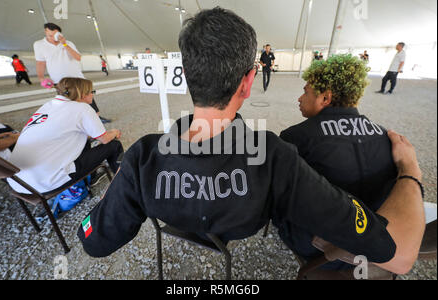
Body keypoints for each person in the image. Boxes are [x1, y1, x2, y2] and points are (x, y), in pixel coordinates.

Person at [77, 7, 425, 276]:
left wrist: (115, 191)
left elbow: (93, 242)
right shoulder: (274, 158)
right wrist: (409, 169)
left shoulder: (142, 157)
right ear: (248, 83)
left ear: (186, 76)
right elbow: (398, 253)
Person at [280, 54, 399, 269]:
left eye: (305, 92)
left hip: (319, 250)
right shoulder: (386, 135)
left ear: (325, 98)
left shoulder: (296, 137)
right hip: (374, 246)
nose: (299, 98)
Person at [7, 77, 123, 195]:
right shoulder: (82, 108)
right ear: (83, 94)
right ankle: (124, 182)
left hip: (19, 182)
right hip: (47, 182)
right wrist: (114, 132)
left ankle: (91, 177)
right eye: (92, 92)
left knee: (83, 140)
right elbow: (104, 139)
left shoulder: (48, 106)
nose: (93, 95)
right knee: (114, 145)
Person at [33, 23, 111, 123]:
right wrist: (41, 77)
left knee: (88, 97)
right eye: (50, 35)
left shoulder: (68, 43)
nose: (53, 38)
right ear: (45, 32)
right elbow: (40, 62)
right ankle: (76, 121)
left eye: (55, 35)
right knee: (66, 101)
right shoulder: (39, 45)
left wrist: (64, 44)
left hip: (77, 77)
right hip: (59, 79)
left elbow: (78, 57)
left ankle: (97, 117)